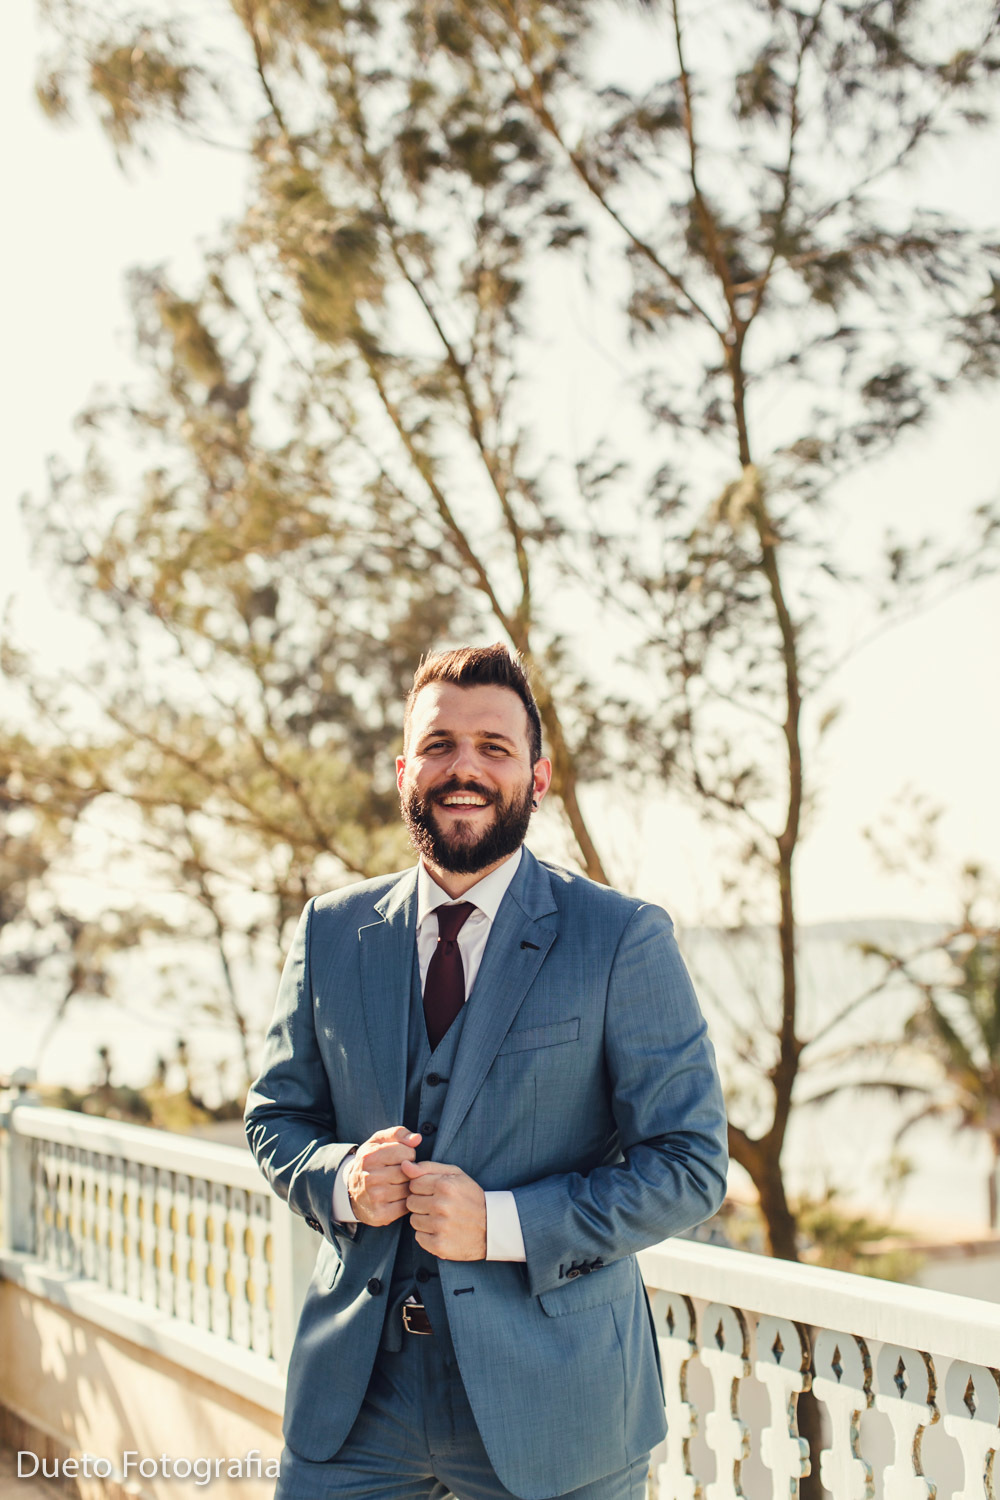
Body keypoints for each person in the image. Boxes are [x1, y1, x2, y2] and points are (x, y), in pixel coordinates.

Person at [245, 644, 728, 1500]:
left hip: (558, 1405)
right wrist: (341, 1179)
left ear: (537, 778)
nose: (462, 768)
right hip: (355, 1403)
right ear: (403, 770)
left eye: (494, 748)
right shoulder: (328, 931)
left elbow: (689, 1164)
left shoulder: (621, 938)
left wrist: (501, 1224)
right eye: (438, 745)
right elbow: (276, 1117)